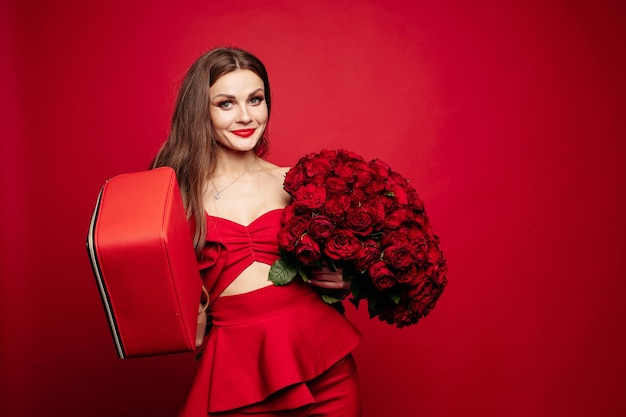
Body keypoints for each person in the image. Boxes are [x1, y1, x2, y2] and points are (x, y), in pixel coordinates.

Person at [152, 47, 362, 417]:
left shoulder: (297, 181)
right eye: (226, 104)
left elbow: (343, 264)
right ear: (200, 111)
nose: (246, 116)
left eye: (255, 99)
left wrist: (344, 279)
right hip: (237, 373)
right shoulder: (172, 194)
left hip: (323, 368)